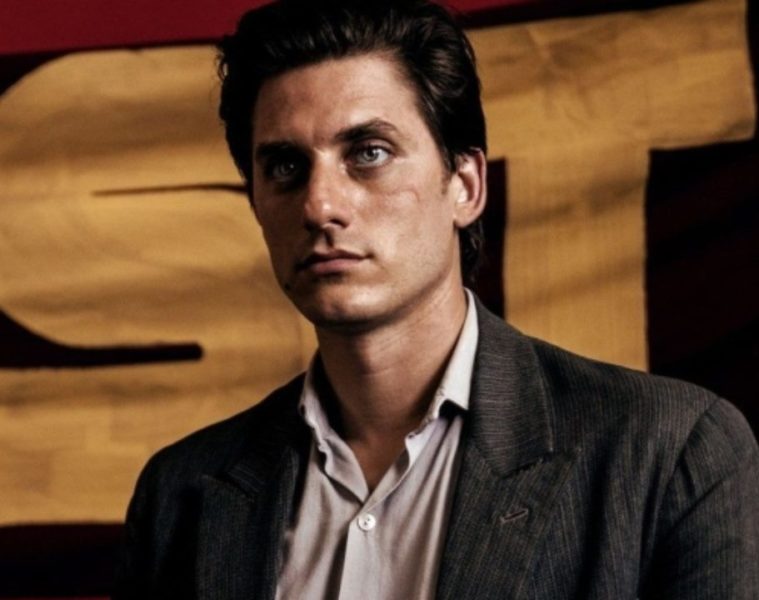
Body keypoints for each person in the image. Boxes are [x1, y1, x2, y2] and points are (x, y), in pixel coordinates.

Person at [114, 0, 759, 598]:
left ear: (465, 185)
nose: (320, 204)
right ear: (255, 203)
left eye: (369, 152)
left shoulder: (671, 452)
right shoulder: (180, 495)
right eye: (285, 166)